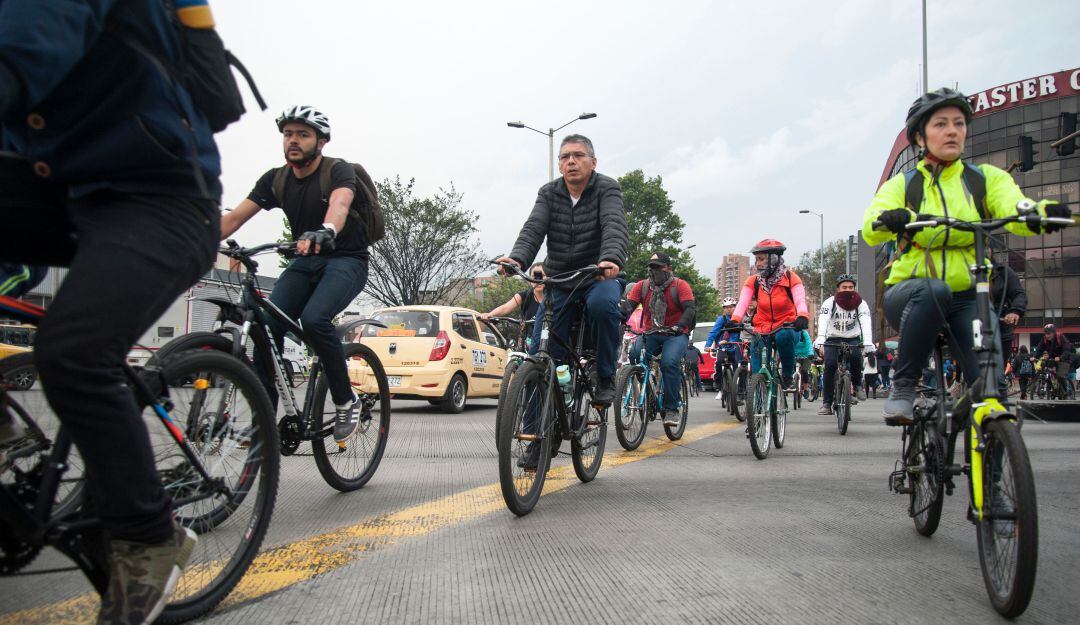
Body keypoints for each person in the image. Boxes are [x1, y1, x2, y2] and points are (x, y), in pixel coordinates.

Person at [0, 1, 232, 621]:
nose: (294, 145)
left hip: (162, 195)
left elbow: (25, 45)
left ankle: (148, 534)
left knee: (73, 353)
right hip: (60, 184)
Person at [863, 88, 1069, 425]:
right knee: (935, 291)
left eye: (959, 123)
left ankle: (993, 464)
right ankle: (902, 386)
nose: (952, 131)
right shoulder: (906, 185)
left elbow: (1014, 204)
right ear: (920, 135)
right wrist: (891, 219)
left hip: (967, 297)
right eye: (941, 124)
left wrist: (1037, 213)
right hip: (911, 293)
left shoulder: (984, 180)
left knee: (992, 392)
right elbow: (873, 226)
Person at [221, 105, 370, 443]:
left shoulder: (337, 170)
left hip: (346, 260)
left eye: (302, 134)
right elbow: (233, 219)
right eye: (288, 134)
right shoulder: (276, 179)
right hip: (305, 260)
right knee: (265, 329)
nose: (293, 140)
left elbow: (340, 204)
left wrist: (327, 230)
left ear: (321, 141)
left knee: (315, 319)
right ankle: (263, 415)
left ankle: (346, 400)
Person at [495, 134, 627, 468]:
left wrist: (610, 258)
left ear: (593, 162)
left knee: (603, 306)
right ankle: (536, 440)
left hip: (598, 275)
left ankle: (605, 375)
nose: (570, 161)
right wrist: (517, 260)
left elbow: (614, 224)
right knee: (540, 359)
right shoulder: (549, 193)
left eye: (578, 155)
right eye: (565, 156)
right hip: (560, 282)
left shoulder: (607, 188)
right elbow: (533, 229)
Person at [622, 252, 696, 425]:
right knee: (634, 355)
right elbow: (628, 307)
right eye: (651, 267)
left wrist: (680, 325)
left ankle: (671, 409)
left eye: (658, 267)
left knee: (669, 363)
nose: (653, 271)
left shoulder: (680, 285)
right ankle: (648, 395)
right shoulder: (642, 286)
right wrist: (618, 318)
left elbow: (690, 309)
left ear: (668, 268)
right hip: (651, 333)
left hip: (675, 334)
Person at [727, 239, 810, 390]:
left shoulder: (791, 278)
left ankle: (787, 374)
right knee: (757, 362)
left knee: (783, 337)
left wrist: (803, 316)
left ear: (774, 259)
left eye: (761, 259)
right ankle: (758, 397)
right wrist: (735, 320)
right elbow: (743, 302)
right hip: (762, 327)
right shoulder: (754, 281)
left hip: (788, 326)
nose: (757, 264)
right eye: (756, 259)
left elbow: (800, 300)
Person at [813, 274, 874, 416]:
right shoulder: (830, 302)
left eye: (851, 287)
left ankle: (858, 385)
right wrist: (821, 337)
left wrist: (868, 341)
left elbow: (865, 321)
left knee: (856, 357)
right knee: (830, 365)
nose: (848, 290)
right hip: (833, 339)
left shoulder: (861, 303)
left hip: (852, 338)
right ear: (838, 289)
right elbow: (823, 319)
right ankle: (827, 404)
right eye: (844, 287)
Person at [705, 297, 742, 390]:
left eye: (731, 306)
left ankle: (739, 389)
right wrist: (708, 345)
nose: (728, 309)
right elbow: (713, 332)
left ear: (735, 307)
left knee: (739, 365)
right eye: (726, 307)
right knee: (719, 362)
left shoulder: (740, 318)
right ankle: (718, 382)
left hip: (735, 346)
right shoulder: (721, 319)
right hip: (723, 347)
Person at [1033, 323, 1074, 396]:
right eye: (1046, 333)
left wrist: (1061, 358)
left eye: (1049, 333)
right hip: (1052, 359)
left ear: (1054, 332)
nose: (1047, 335)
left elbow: (1067, 350)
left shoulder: (1060, 337)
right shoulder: (1044, 339)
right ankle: (1052, 387)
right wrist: (1034, 357)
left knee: (1060, 376)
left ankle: (1066, 392)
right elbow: (1039, 349)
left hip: (1064, 359)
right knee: (1044, 371)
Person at [793, 326, 814, 399]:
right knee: (792, 369)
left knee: (804, 370)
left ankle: (805, 389)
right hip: (795, 355)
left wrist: (810, 353)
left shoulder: (804, 333)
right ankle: (793, 383)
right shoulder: (792, 332)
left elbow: (809, 343)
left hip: (806, 356)